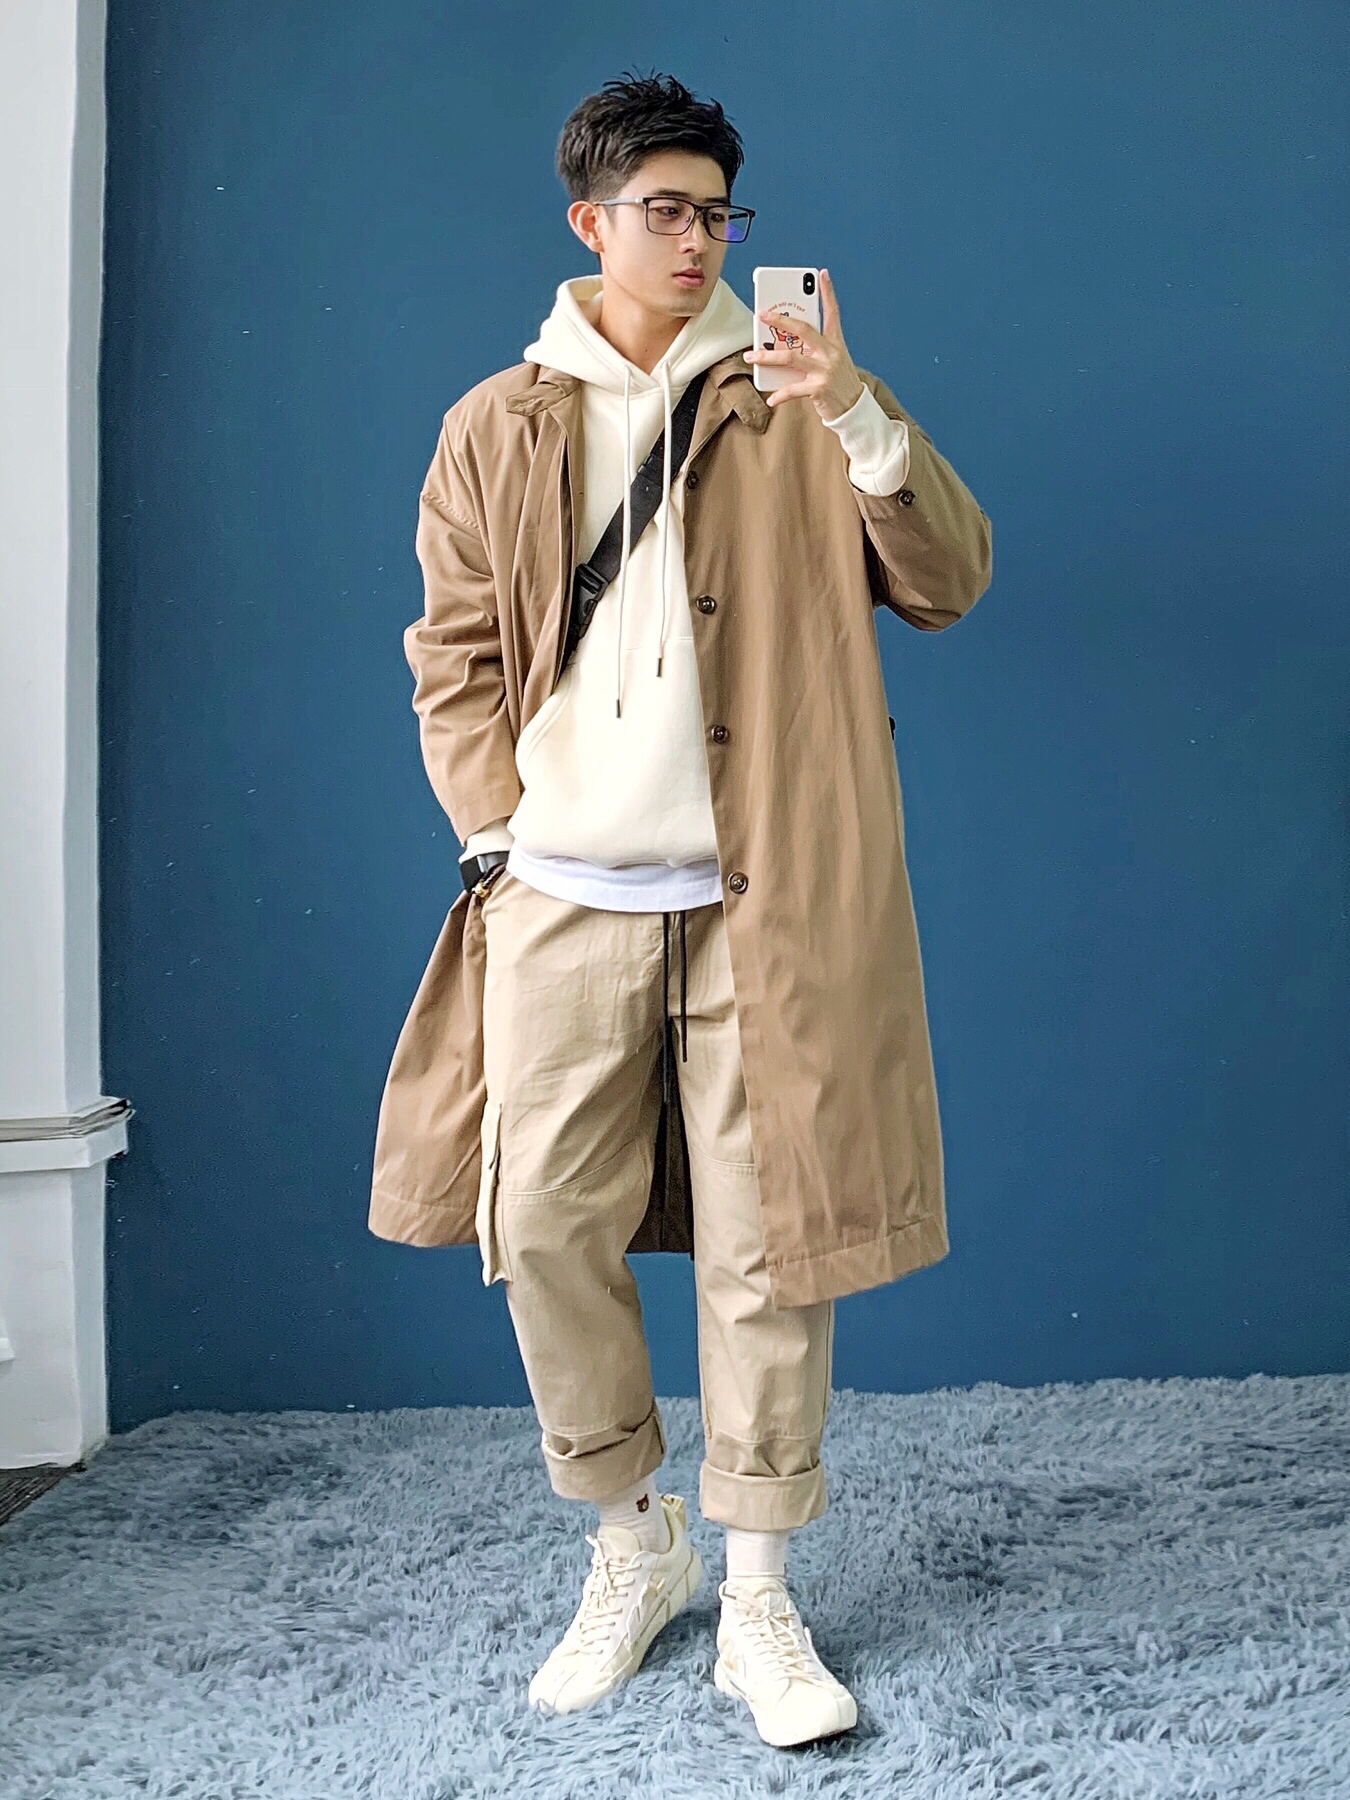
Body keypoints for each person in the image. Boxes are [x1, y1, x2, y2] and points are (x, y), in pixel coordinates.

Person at [369, 68, 992, 1749]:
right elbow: (452, 653)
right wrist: (494, 833)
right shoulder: (496, 424)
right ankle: (629, 1545)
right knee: (541, 1223)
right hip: (560, 894)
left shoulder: (796, 399)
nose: (698, 238)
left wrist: (856, 410)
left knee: (768, 1238)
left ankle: (762, 1597)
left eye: (719, 213)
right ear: (589, 221)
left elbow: (947, 579)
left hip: (760, 897)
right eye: (665, 210)